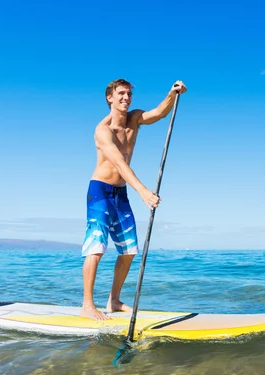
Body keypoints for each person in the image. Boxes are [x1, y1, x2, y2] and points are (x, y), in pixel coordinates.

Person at [79, 78, 187, 320]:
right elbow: (118, 162)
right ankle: (87, 305)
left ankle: (114, 300)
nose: (126, 98)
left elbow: (159, 113)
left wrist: (172, 93)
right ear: (110, 97)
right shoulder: (103, 130)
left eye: (128, 94)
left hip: (121, 193)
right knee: (95, 249)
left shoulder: (135, 119)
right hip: (100, 192)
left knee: (128, 251)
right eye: (121, 94)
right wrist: (143, 191)